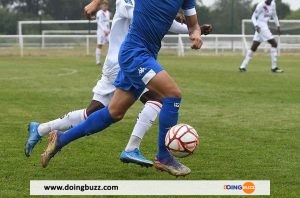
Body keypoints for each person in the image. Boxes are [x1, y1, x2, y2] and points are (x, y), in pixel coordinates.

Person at [25, 0, 211, 167]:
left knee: (112, 112)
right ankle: (162, 156)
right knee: (170, 95)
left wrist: (196, 33)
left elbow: (192, 24)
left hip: (142, 55)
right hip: (133, 54)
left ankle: (59, 138)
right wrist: (95, 3)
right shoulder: (126, 5)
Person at [239, 0, 283, 73]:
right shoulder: (261, 5)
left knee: (254, 47)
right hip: (261, 26)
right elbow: (253, 17)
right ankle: (274, 67)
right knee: (274, 43)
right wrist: (256, 26)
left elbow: (274, 15)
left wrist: (278, 26)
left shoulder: (273, 4)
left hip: (264, 26)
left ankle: (242, 66)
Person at [95, 0, 110, 65]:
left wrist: (108, 30)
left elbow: (108, 23)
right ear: (101, 6)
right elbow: (99, 22)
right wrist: (104, 30)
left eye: (106, 5)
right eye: (103, 5)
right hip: (101, 32)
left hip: (108, 32)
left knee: (111, 45)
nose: (105, 6)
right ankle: (98, 61)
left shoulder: (108, 13)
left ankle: (109, 60)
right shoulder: (99, 13)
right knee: (99, 45)